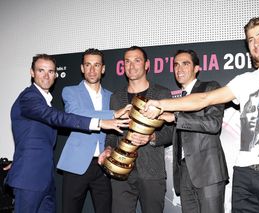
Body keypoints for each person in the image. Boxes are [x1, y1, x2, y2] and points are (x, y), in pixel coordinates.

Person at [142, 16, 259, 213]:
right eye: (250, 39)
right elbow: (204, 99)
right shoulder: (243, 81)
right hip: (243, 176)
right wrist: (161, 104)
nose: (256, 43)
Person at [6, 54, 129, 213]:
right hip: (29, 179)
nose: (46, 75)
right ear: (32, 72)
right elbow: (58, 117)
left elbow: (30, 137)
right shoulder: (29, 97)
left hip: (45, 178)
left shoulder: (44, 100)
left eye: (51, 71)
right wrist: (101, 121)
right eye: (41, 70)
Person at [99, 46, 173, 213]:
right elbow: (112, 133)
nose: (131, 66)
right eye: (127, 61)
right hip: (121, 172)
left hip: (152, 171)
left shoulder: (162, 93)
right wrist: (108, 149)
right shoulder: (116, 97)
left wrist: (152, 137)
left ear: (147, 65)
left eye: (137, 60)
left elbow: (171, 132)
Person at [57, 49, 131, 213]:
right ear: (82, 68)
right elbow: (74, 113)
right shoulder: (70, 91)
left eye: (96, 65)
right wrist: (112, 114)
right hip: (76, 164)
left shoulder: (111, 97)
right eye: (88, 65)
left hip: (104, 165)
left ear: (103, 69)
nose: (92, 70)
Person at [158, 49, 229, 213]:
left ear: (197, 68)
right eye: (176, 64)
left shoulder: (210, 88)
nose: (179, 68)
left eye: (185, 63)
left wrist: (176, 118)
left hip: (208, 171)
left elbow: (213, 124)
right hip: (183, 173)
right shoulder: (178, 100)